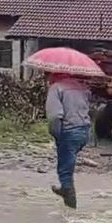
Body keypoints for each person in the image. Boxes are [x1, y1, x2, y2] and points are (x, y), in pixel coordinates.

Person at [45, 73, 91, 209]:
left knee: (65, 169)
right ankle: (65, 189)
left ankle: (70, 206)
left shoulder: (56, 88)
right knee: (67, 162)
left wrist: (57, 136)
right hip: (85, 131)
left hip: (70, 131)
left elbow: (54, 116)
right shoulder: (82, 87)